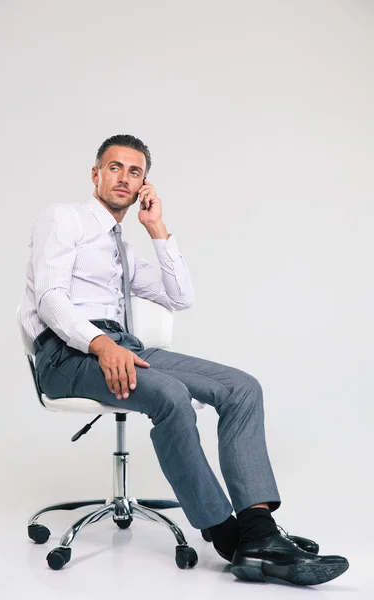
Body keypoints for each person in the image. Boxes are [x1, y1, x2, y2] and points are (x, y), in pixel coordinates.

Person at [19, 134, 349, 586]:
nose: (123, 178)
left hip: (123, 346)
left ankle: (258, 531)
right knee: (170, 394)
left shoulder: (123, 250)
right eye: (114, 168)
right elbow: (51, 299)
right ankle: (224, 533)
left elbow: (180, 296)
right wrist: (100, 344)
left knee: (241, 387)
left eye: (134, 172)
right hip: (67, 352)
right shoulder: (64, 218)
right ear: (95, 174)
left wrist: (157, 229)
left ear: (143, 187)